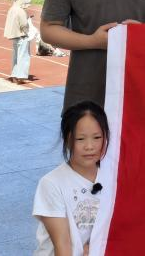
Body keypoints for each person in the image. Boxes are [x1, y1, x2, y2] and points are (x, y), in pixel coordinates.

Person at [34, 101, 108, 255]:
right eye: (80, 139)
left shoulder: (112, 177)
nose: (89, 146)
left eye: (97, 137)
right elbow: (63, 246)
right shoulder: (52, 184)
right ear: (67, 140)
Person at [5, 0, 34, 84]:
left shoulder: (12, 9)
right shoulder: (20, 11)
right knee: (23, 56)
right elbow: (24, 24)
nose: (28, 6)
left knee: (15, 56)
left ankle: (14, 75)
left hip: (14, 36)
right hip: (22, 36)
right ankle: (21, 77)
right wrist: (28, 30)